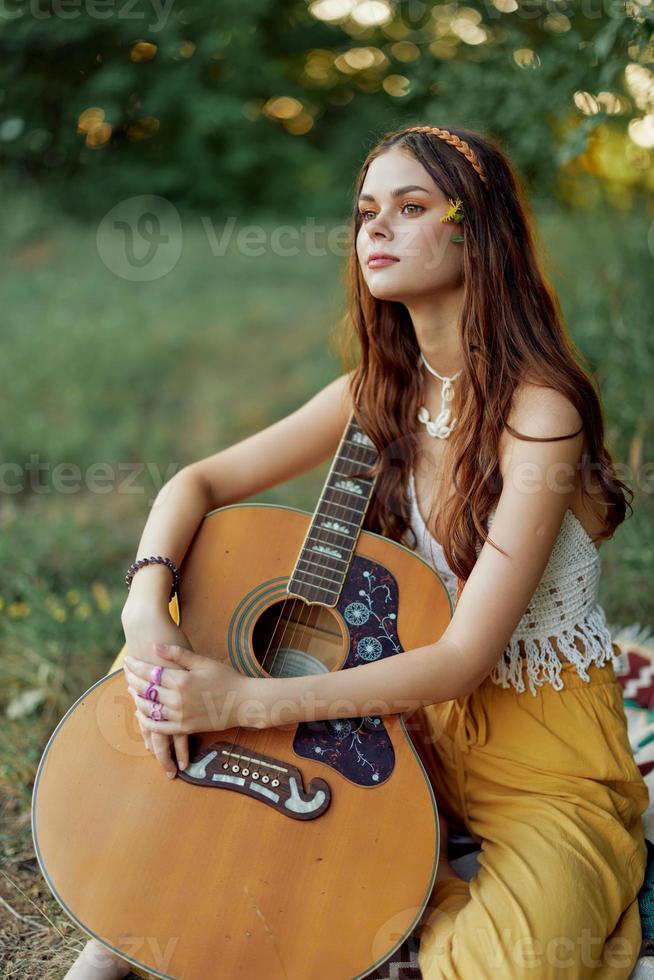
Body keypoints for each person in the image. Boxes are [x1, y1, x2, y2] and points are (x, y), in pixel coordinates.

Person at [65, 124, 649, 980]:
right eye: (365, 210)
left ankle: (383, 903)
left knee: (513, 966)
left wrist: (242, 703)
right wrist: (145, 604)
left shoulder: (541, 412)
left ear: (475, 229)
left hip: (540, 754)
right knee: (182, 638)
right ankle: (159, 900)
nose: (375, 228)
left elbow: (460, 658)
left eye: (410, 207)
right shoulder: (379, 392)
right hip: (402, 728)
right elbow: (193, 484)